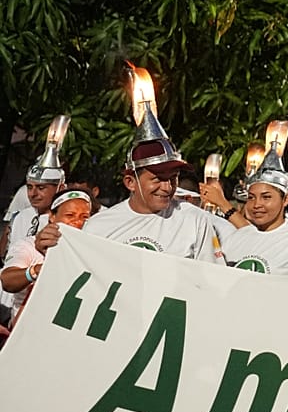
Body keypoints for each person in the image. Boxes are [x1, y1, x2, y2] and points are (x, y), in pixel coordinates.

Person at [85, 92, 221, 263]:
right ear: (130, 182)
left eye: (173, 178)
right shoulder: (98, 227)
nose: (167, 187)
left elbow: (212, 278)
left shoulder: (194, 221)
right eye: (157, 179)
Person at [220, 153, 288, 280]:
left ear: (286, 199)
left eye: (266, 197)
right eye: (251, 197)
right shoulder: (234, 238)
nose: (257, 204)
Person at [1, 188, 96, 330]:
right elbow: (8, 281)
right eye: (70, 215)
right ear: (52, 216)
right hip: (26, 331)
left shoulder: (91, 250)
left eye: (84, 217)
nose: (78, 222)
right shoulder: (28, 246)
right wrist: (36, 271)